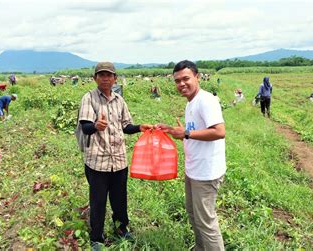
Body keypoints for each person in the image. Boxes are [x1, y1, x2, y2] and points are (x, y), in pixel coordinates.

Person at [78, 62, 153, 249]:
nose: (105, 78)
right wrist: (96, 125)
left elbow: (126, 126)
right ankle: (96, 237)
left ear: (115, 78)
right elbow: (85, 127)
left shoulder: (119, 101)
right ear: (95, 78)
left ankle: (121, 228)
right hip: (97, 161)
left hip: (119, 160)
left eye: (109, 75)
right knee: (98, 201)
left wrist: (139, 128)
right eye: (101, 75)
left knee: (120, 198)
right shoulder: (89, 98)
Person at [158, 60, 226, 250]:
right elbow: (193, 133)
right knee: (193, 215)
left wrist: (187, 133)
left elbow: (219, 131)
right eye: (177, 81)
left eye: (186, 78)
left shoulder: (206, 101)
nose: (181, 84)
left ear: (197, 77)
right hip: (194, 170)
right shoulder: (191, 103)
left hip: (206, 173)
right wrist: (174, 131)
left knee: (206, 223)